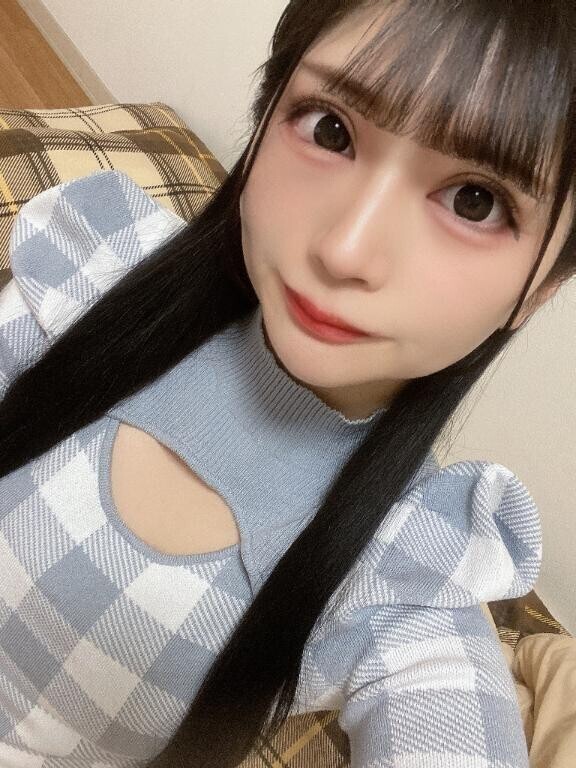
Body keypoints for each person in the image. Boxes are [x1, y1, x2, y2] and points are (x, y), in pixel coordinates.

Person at [0, 1, 573, 766]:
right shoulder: (97, 274)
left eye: (477, 201)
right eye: (329, 129)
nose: (345, 250)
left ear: (540, 289)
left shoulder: (401, 572)